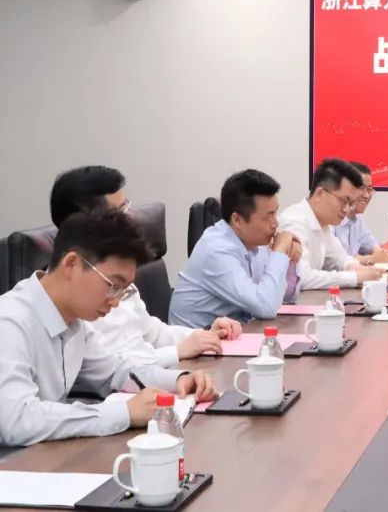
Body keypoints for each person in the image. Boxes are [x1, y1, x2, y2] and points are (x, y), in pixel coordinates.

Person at [0, 210, 217, 446]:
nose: (116, 301)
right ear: (71, 265)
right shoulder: (10, 322)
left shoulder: (73, 320)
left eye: (123, 290)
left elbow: (115, 371)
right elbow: (17, 420)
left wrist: (177, 380)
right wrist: (124, 413)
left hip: (41, 452)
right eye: (113, 285)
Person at [49, 166, 241, 366]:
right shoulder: (77, 292)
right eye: (121, 210)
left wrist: (206, 335)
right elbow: (106, 368)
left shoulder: (117, 272)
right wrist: (177, 352)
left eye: (128, 206)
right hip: (135, 380)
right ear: (87, 221)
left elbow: (153, 332)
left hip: (153, 373)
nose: (131, 217)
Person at [170, 169, 302, 328]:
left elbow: (286, 297)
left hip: (235, 335)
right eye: (268, 216)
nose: (276, 224)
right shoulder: (216, 250)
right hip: (200, 340)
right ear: (237, 220)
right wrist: (280, 250)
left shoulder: (254, 242)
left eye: (275, 213)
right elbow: (266, 306)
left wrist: (289, 259)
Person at [278, 158, 381, 290]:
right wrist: (355, 277)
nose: (346, 209)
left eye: (350, 203)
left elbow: (341, 258)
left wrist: (361, 270)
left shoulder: (323, 224)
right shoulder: (295, 222)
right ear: (320, 194)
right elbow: (300, 277)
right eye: (343, 201)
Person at [333, 162, 388, 262]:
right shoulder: (330, 219)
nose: (366, 195)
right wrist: (371, 259)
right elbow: (333, 261)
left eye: (369, 189)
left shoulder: (358, 219)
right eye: (361, 188)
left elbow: (374, 248)